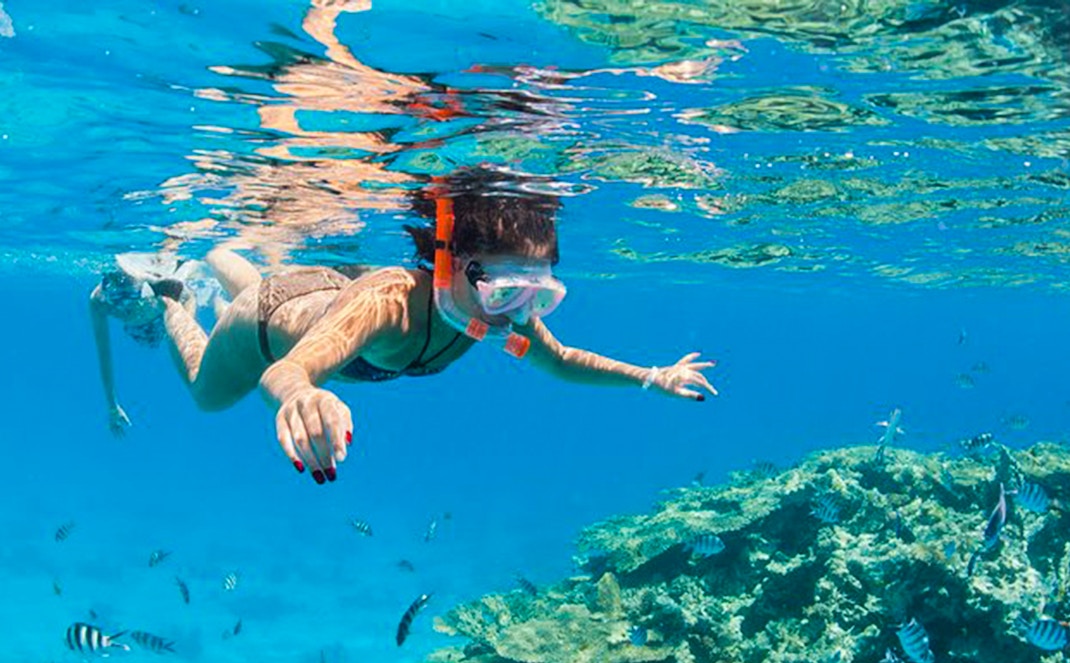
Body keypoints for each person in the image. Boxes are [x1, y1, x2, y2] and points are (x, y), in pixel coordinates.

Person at [155, 168, 718, 485]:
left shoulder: (503, 315)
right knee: (208, 393)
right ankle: (172, 292)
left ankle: (221, 256)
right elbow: (289, 369)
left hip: (318, 293)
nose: (517, 312)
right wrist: (302, 395)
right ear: (455, 266)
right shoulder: (390, 301)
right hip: (264, 324)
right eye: (505, 291)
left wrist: (652, 376)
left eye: (539, 295)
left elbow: (563, 360)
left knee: (257, 281)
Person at [89, 253, 211, 435]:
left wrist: (112, 405)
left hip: (156, 306)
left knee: (172, 316)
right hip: (156, 308)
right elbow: (104, 354)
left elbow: (104, 355)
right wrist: (112, 406)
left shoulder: (101, 300)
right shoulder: (102, 301)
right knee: (173, 317)